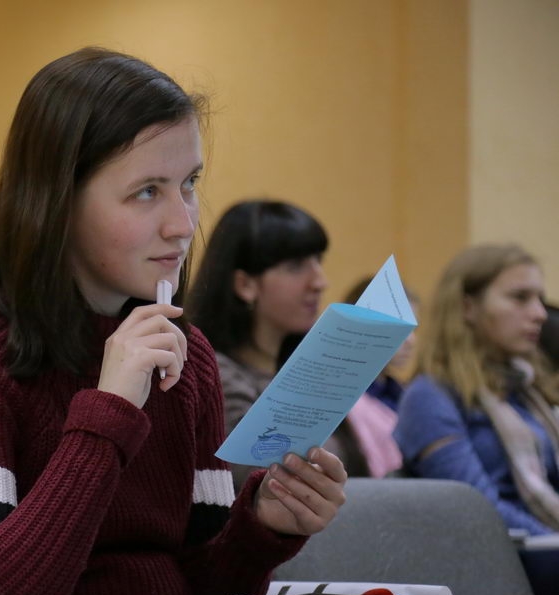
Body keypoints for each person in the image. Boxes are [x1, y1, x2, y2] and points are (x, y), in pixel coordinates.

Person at [0, 47, 348, 595]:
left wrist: (263, 528)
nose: (182, 223)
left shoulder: (188, 356)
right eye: (146, 192)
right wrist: (108, 413)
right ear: (57, 200)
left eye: (189, 184)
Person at [188, 200, 363, 488]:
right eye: (296, 266)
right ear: (245, 285)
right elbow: (258, 478)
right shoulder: (214, 374)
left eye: (318, 261)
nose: (320, 282)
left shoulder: (303, 373)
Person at [394, 244, 559, 535]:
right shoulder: (429, 396)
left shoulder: (527, 391)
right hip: (501, 553)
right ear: (468, 307)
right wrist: (552, 542)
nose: (539, 314)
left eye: (539, 299)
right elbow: (477, 509)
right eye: (520, 298)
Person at [336, 276, 421, 478]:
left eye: (413, 329)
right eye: (399, 328)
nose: (411, 340)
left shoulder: (404, 392)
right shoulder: (347, 401)